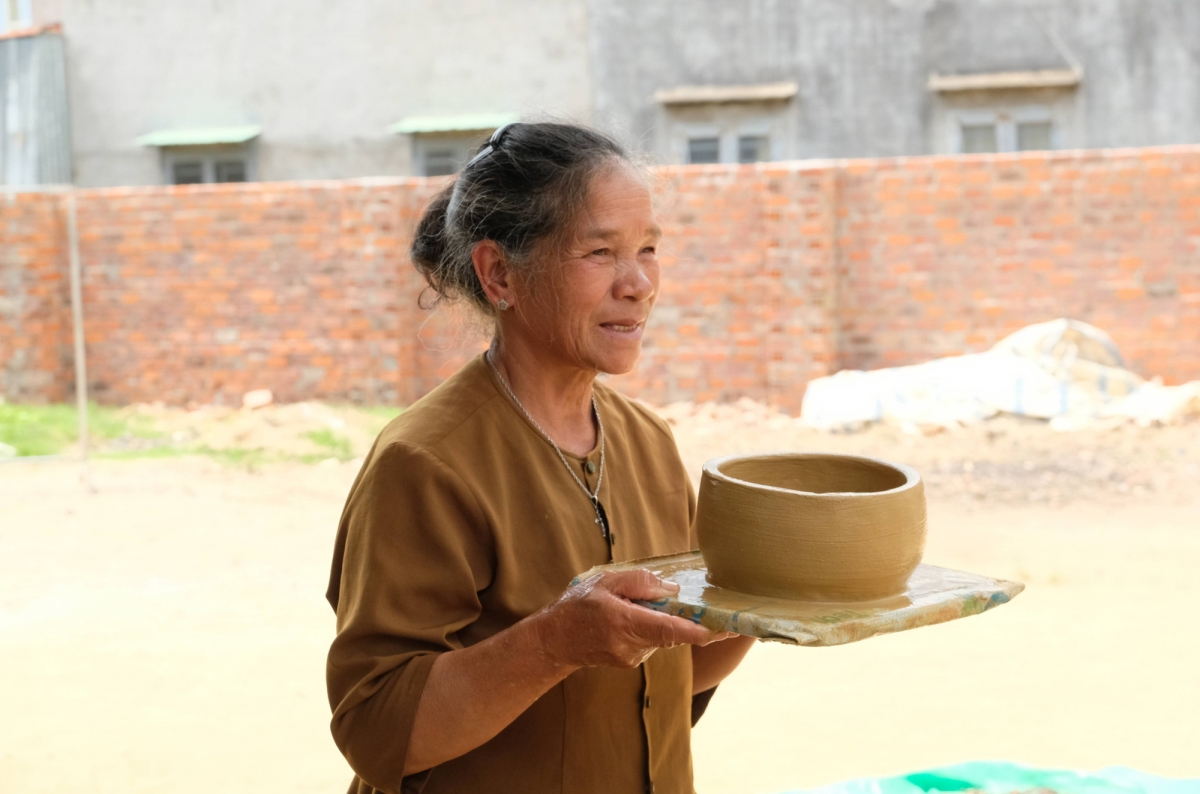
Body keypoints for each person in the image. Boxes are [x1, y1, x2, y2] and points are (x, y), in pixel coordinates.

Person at [325, 122, 755, 794]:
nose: (639, 282)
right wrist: (552, 643)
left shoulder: (648, 443)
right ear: (500, 273)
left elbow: (667, 675)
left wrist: (774, 597)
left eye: (648, 249)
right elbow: (379, 726)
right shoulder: (426, 461)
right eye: (600, 252)